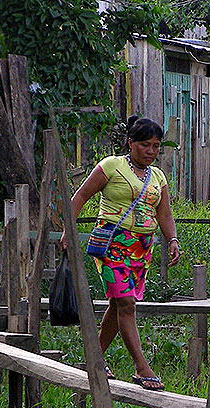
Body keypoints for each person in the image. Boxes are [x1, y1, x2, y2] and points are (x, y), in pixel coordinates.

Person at [61, 116, 180, 390]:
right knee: (127, 303)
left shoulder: (158, 177)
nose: (151, 151)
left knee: (118, 304)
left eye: (156, 146)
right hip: (112, 244)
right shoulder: (111, 166)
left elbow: (164, 213)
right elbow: (80, 197)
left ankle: (93, 358)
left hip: (142, 248)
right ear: (130, 143)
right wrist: (69, 228)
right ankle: (142, 368)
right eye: (145, 145)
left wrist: (172, 239)